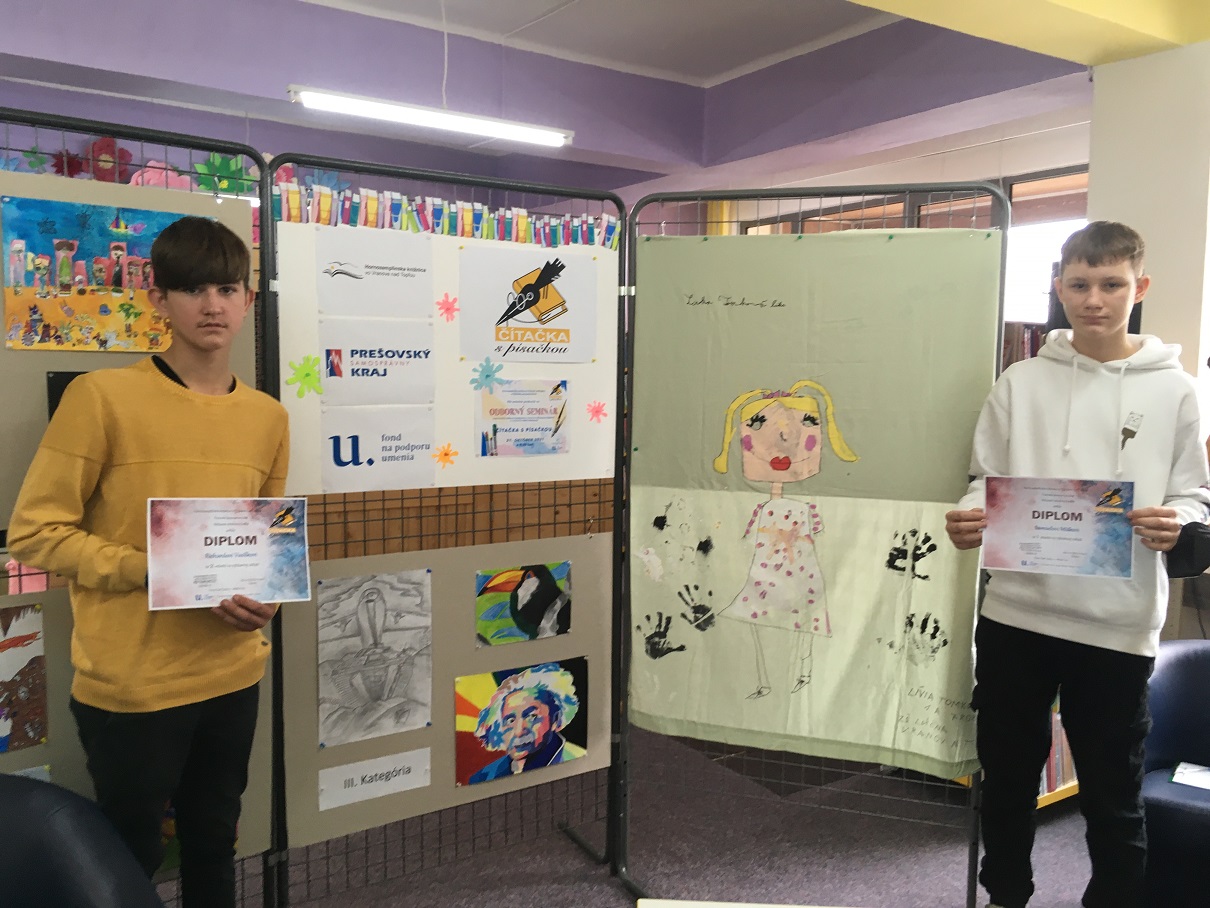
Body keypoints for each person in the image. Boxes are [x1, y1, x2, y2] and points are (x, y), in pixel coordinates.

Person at [7, 216, 289, 908]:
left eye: (227, 288)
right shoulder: (101, 398)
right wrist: (157, 569)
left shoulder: (268, 417)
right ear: (158, 299)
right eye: (192, 289)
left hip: (233, 672)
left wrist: (270, 593)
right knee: (128, 860)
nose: (212, 306)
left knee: (214, 843)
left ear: (248, 299)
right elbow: (35, 533)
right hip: (133, 686)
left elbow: (267, 539)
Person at [944, 221, 1210, 908]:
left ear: (1138, 288)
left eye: (1111, 284)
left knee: (1113, 795)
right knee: (1006, 780)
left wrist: (1177, 520)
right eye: (1080, 284)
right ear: (1059, 287)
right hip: (1016, 614)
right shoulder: (1020, 381)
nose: (1094, 299)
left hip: (1116, 626)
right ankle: (1006, 896)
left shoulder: (1176, 390)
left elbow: (1193, 495)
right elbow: (985, 477)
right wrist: (972, 513)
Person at [710, 381, 858, 697]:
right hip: (765, 575)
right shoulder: (763, 509)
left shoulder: (806, 509)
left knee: (803, 621)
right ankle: (767, 680)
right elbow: (747, 538)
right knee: (760, 622)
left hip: (800, 575)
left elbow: (811, 534)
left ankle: (802, 672)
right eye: (758, 427)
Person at [468, 663, 584, 783]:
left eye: (532, 717)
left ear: (555, 720)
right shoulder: (482, 777)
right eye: (510, 720)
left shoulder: (579, 761)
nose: (518, 732)